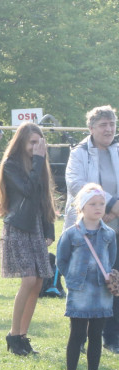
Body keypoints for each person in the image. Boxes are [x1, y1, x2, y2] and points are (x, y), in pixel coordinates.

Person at [0, 122, 56, 356]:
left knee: (38, 282)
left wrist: (49, 230)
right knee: (29, 279)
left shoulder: (39, 165)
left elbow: (43, 198)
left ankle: (22, 336)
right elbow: (28, 191)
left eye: (39, 143)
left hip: (37, 228)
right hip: (18, 228)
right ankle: (12, 334)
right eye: (32, 142)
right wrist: (39, 161)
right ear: (21, 142)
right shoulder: (11, 165)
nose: (36, 147)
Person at [63, 106, 119, 352]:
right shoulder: (79, 153)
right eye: (103, 124)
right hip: (87, 228)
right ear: (91, 128)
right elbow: (76, 183)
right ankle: (81, 339)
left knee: (114, 280)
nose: (109, 129)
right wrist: (109, 204)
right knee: (86, 282)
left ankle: (112, 337)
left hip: (114, 227)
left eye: (112, 123)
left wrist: (114, 210)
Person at [57, 184, 116, 370]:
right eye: (92, 204)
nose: (98, 207)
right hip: (79, 292)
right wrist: (73, 279)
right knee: (77, 333)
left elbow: (112, 260)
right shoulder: (71, 234)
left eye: (101, 203)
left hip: (101, 292)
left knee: (96, 335)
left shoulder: (109, 234)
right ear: (82, 207)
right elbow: (61, 260)